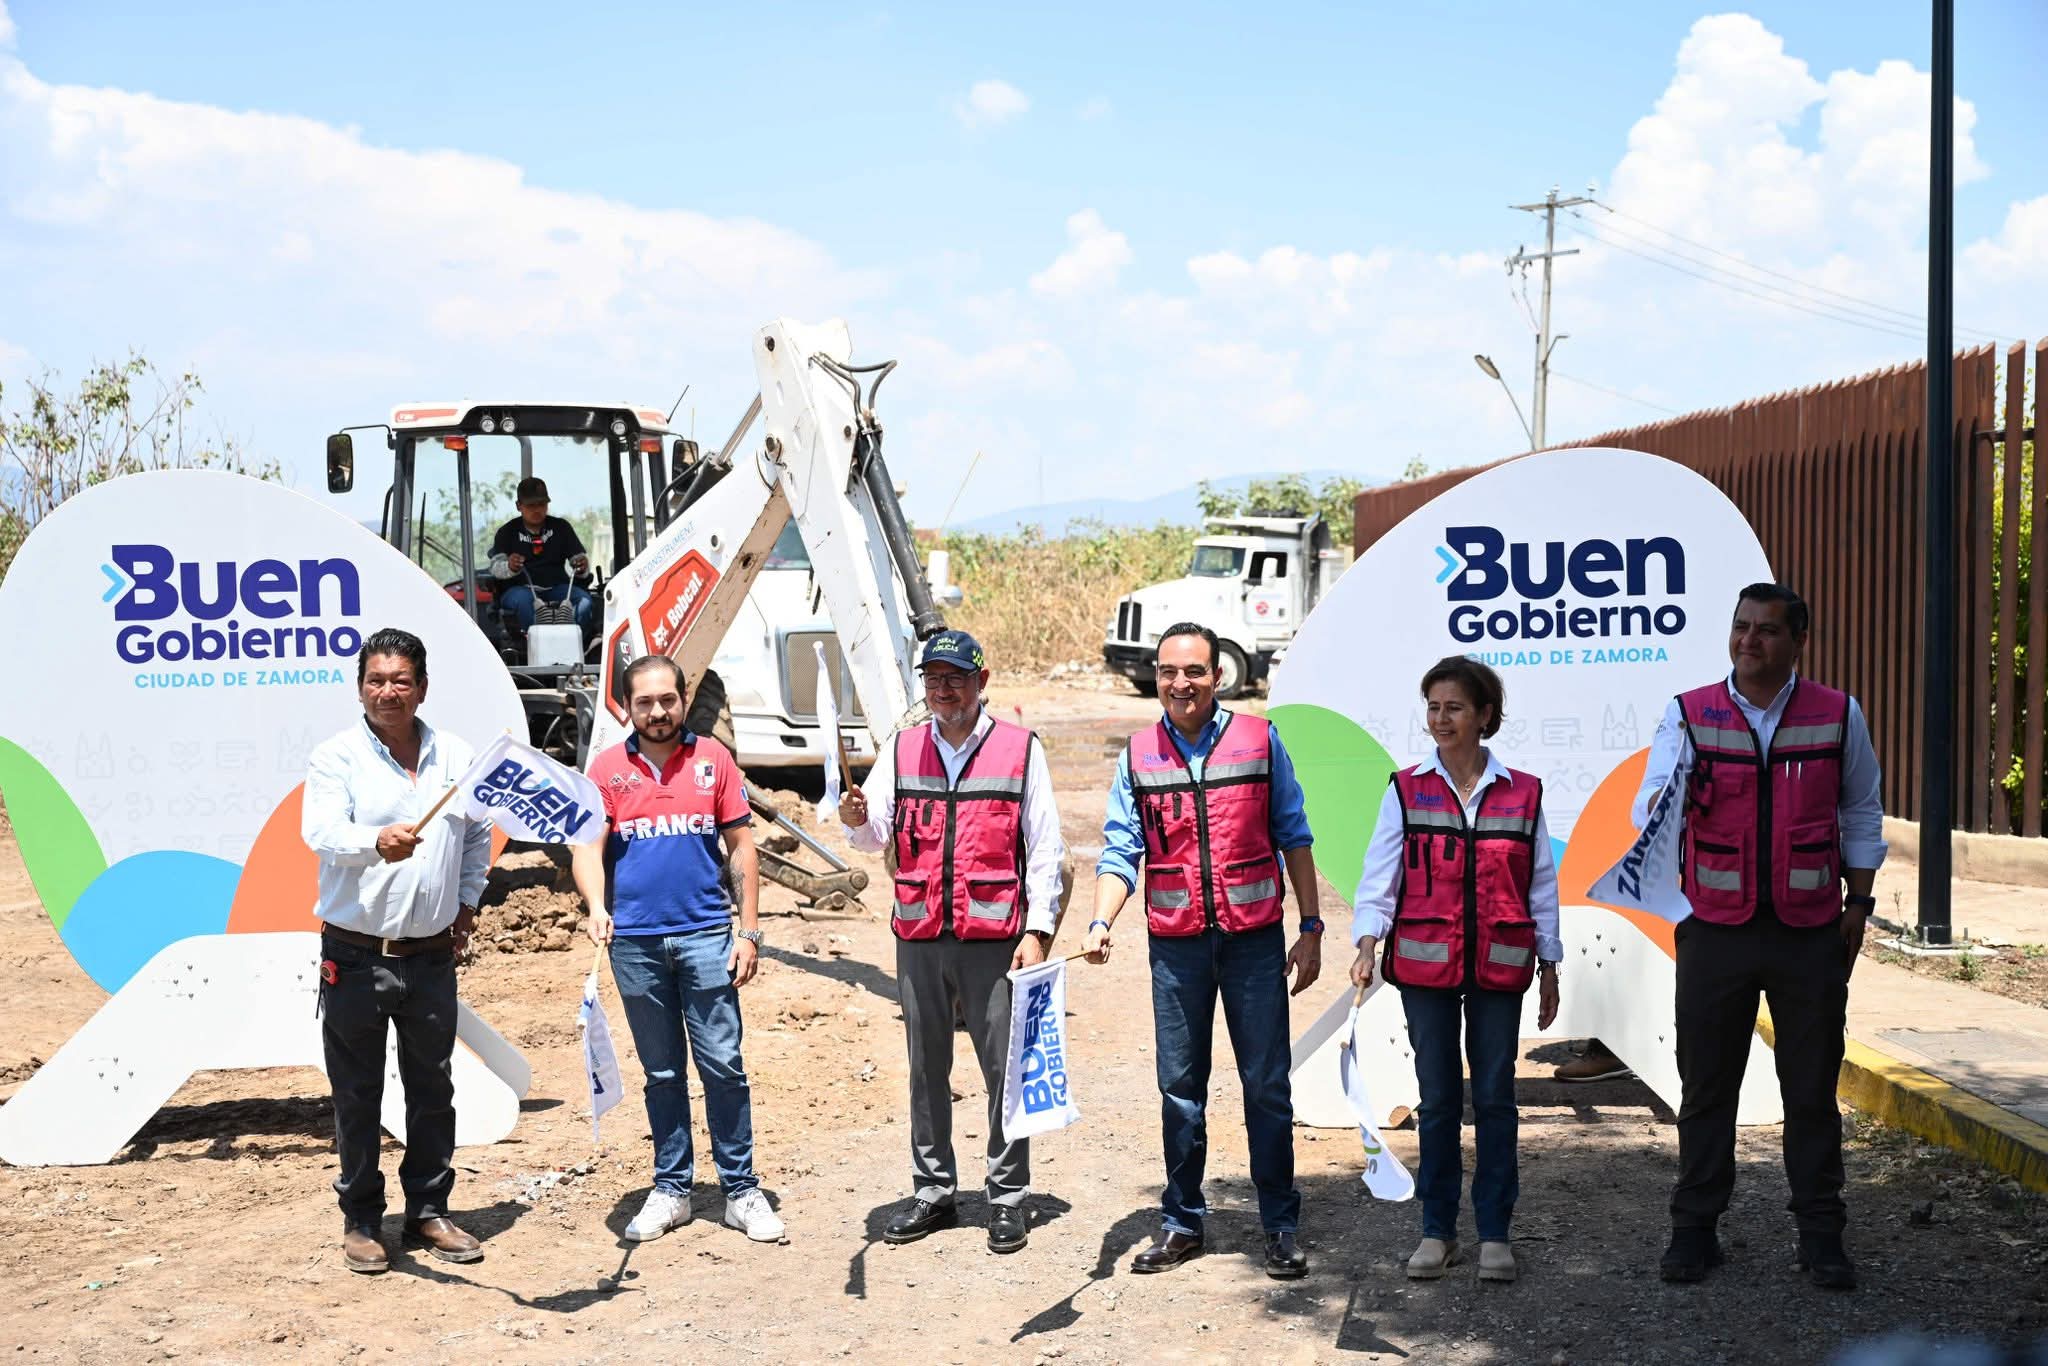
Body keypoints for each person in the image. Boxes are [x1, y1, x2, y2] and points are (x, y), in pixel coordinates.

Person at [1653, 583, 1884, 1290]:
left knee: (1810, 1089)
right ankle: (1694, 1232)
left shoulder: (1838, 714)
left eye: (1767, 631)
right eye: (1741, 628)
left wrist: (1859, 900)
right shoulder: (1689, 713)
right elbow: (1653, 806)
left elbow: (1861, 808)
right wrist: (1673, 791)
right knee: (1707, 1087)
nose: (1750, 641)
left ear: (1797, 642)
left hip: (1810, 929)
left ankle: (1821, 1237)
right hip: (1715, 930)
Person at [1083, 621, 1324, 1280]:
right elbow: (1120, 848)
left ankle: (1278, 1224)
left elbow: (1293, 834)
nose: (1180, 683)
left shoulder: (1260, 740)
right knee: (1181, 1091)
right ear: (1155, 677)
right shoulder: (1138, 754)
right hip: (1177, 946)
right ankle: (1182, 1222)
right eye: (1168, 672)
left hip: (1252, 943)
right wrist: (1101, 922)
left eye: (1193, 671)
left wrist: (1310, 926)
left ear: (1218, 676)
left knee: (1267, 1088)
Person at [840, 629, 1066, 1255]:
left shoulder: (1021, 750)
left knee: (1003, 1070)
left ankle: (1008, 1197)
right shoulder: (904, 747)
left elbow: (1045, 847)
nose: (943, 690)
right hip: (919, 934)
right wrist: (856, 817)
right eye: (933, 678)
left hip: (994, 937)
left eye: (956, 678)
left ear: (981, 681)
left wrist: (1038, 930)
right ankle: (934, 1190)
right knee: (925, 1068)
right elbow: (873, 833)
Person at [1349, 655, 1562, 1284]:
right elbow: (1379, 878)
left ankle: (1495, 1232)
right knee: (1439, 1100)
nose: (1440, 719)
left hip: (1500, 965)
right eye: (1433, 707)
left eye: (1454, 708)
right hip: (1424, 968)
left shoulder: (1523, 792)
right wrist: (1367, 942)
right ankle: (1436, 1231)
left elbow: (1540, 884)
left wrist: (1551, 961)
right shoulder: (1405, 788)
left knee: (1495, 1098)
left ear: (1485, 716)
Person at [571, 655, 783, 1244]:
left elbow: (741, 848)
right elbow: (588, 848)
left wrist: (749, 931)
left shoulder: (715, 761)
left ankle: (741, 1191)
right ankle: (673, 1190)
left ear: (684, 700)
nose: (658, 711)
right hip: (634, 945)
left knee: (724, 1066)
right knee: (662, 1072)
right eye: (645, 702)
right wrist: (595, 906)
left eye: (668, 699)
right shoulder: (606, 769)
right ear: (626, 706)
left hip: (708, 937)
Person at [301, 627, 491, 1274]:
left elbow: (475, 835)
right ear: (360, 687)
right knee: (356, 1092)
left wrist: (466, 904)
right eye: (376, 680)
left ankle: (429, 1211)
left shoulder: (456, 755)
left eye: (400, 681)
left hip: (432, 956)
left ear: (422, 688)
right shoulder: (336, 757)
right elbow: (321, 831)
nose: (388, 692)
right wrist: (374, 841)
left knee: (432, 1089)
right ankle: (360, 1220)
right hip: (355, 956)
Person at [488, 476, 596, 637]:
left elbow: (579, 560)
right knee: (523, 602)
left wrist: (581, 565)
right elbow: (495, 568)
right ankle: (533, 646)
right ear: (519, 506)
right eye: (531, 505)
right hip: (519, 589)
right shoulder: (507, 532)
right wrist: (509, 567)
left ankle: (573, 642)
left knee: (585, 601)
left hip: (557, 587)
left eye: (542, 504)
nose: (537, 510)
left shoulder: (561, 527)